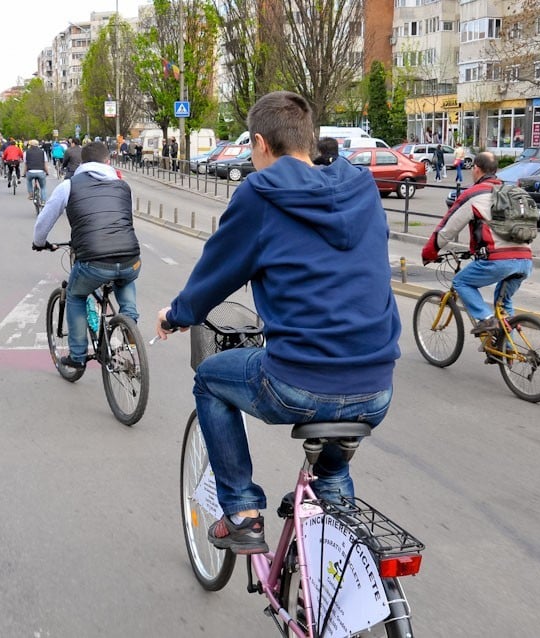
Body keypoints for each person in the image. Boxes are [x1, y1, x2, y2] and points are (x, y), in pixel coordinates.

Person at [154, 91, 401, 555]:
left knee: (209, 379)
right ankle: (332, 502)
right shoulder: (363, 189)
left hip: (298, 383)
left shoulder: (260, 194)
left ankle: (242, 511)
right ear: (310, 138)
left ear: (262, 143)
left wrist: (177, 314)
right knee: (333, 467)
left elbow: (217, 272)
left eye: (251, 149)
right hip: (377, 386)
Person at [33, 141, 140, 368]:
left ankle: (78, 356)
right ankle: (129, 323)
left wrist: (39, 242)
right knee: (125, 277)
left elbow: (45, 219)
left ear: (82, 162)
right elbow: (127, 218)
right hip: (130, 255)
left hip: (93, 260)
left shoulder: (68, 186)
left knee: (76, 295)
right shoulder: (123, 185)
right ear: (108, 161)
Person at [421, 152, 532, 337]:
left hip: (498, 261)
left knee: (460, 282)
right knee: (503, 306)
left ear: (476, 169)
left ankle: (486, 318)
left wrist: (429, 252)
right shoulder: (509, 191)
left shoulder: (474, 194)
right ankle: (508, 351)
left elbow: (448, 228)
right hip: (525, 259)